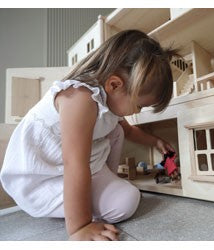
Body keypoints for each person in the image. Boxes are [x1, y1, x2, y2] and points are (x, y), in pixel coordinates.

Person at [0, 30, 178, 240]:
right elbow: (74, 163)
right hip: (44, 178)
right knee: (127, 201)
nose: (138, 112)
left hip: (77, 168)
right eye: (139, 105)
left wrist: (155, 141)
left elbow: (128, 131)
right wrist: (80, 227)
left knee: (118, 130)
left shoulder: (109, 101)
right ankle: (82, 209)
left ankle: (100, 187)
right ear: (114, 85)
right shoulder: (79, 98)